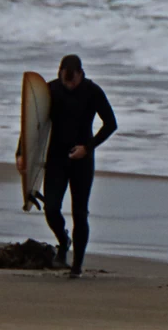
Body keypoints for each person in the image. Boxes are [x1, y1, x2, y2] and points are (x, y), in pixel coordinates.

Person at [16, 55, 117, 278]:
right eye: (64, 80)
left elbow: (111, 124)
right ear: (59, 73)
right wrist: (21, 153)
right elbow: (32, 123)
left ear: (81, 73)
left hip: (82, 161)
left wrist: (88, 148)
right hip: (56, 159)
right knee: (51, 208)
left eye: (72, 81)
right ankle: (64, 241)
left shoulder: (93, 91)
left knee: (80, 214)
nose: (68, 85)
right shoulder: (50, 90)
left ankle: (77, 266)